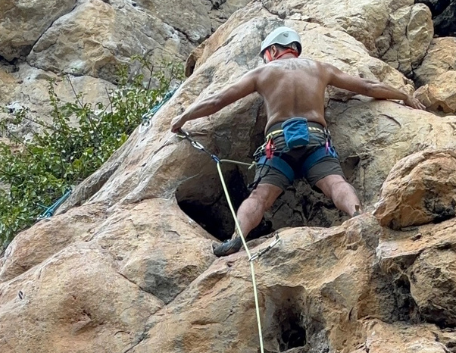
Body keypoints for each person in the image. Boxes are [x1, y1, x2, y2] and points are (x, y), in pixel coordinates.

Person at [171, 26, 422, 256]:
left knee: (260, 197)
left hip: (277, 145)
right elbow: (367, 87)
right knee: (335, 183)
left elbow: (217, 101)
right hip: (315, 139)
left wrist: (184, 116)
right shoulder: (319, 68)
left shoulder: (262, 73)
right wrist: (403, 95)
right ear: (294, 49)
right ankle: (357, 215)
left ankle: (238, 238)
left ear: (272, 51)